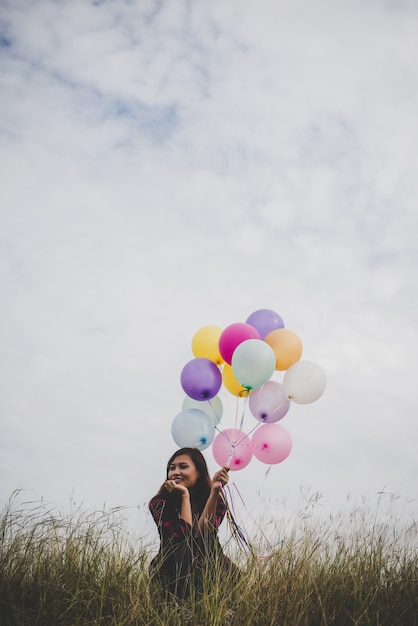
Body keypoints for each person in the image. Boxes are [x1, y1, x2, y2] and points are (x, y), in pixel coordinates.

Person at [149, 447, 238, 599]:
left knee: (208, 542)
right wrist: (184, 496)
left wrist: (215, 491)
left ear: (198, 472)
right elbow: (184, 537)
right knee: (185, 548)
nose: (176, 472)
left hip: (209, 564)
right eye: (172, 468)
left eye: (183, 467)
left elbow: (204, 533)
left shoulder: (217, 502)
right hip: (172, 569)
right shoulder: (160, 503)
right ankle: (182, 609)